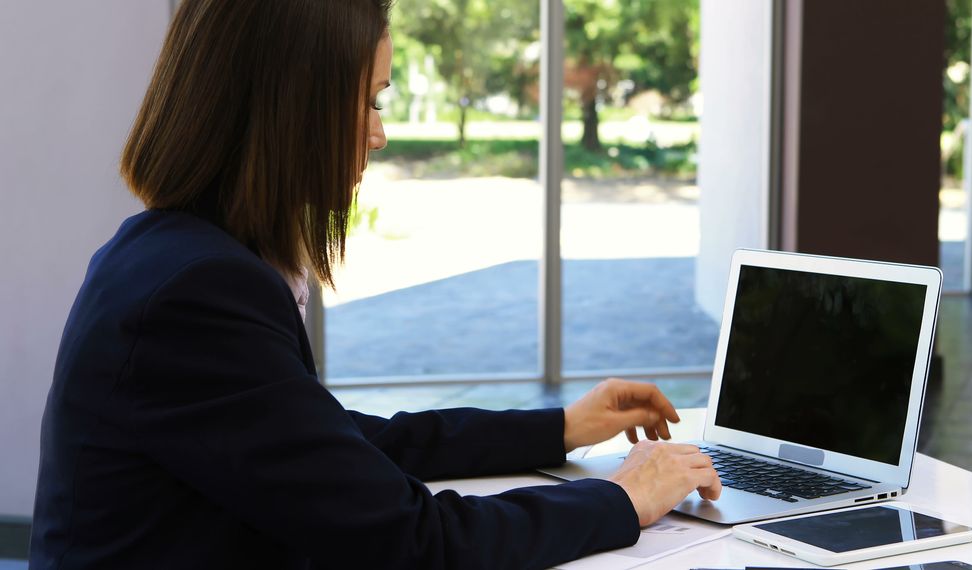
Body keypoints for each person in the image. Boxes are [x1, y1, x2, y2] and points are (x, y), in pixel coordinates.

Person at [29, 1, 721, 568]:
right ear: (287, 108)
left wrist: (562, 427)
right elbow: (411, 541)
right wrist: (624, 500)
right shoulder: (198, 294)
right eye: (368, 101)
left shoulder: (170, 255)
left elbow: (337, 447)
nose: (378, 134)